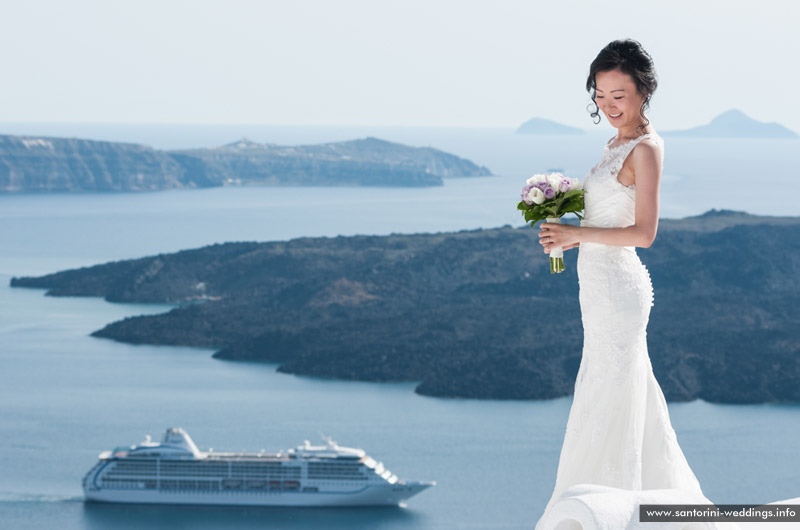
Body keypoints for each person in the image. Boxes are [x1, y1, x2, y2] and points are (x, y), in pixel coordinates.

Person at [533, 39, 735, 530]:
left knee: (612, 391)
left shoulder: (647, 148)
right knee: (609, 390)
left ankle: (612, 510)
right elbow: (610, 213)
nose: (608, 106)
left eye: (618, 95)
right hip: (594, 287)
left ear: (644, 91)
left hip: (619, 291)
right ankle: (627, 506)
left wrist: (579, 233)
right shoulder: (613, 144)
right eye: (600, 96)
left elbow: (645, 233)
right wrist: (565, 229)